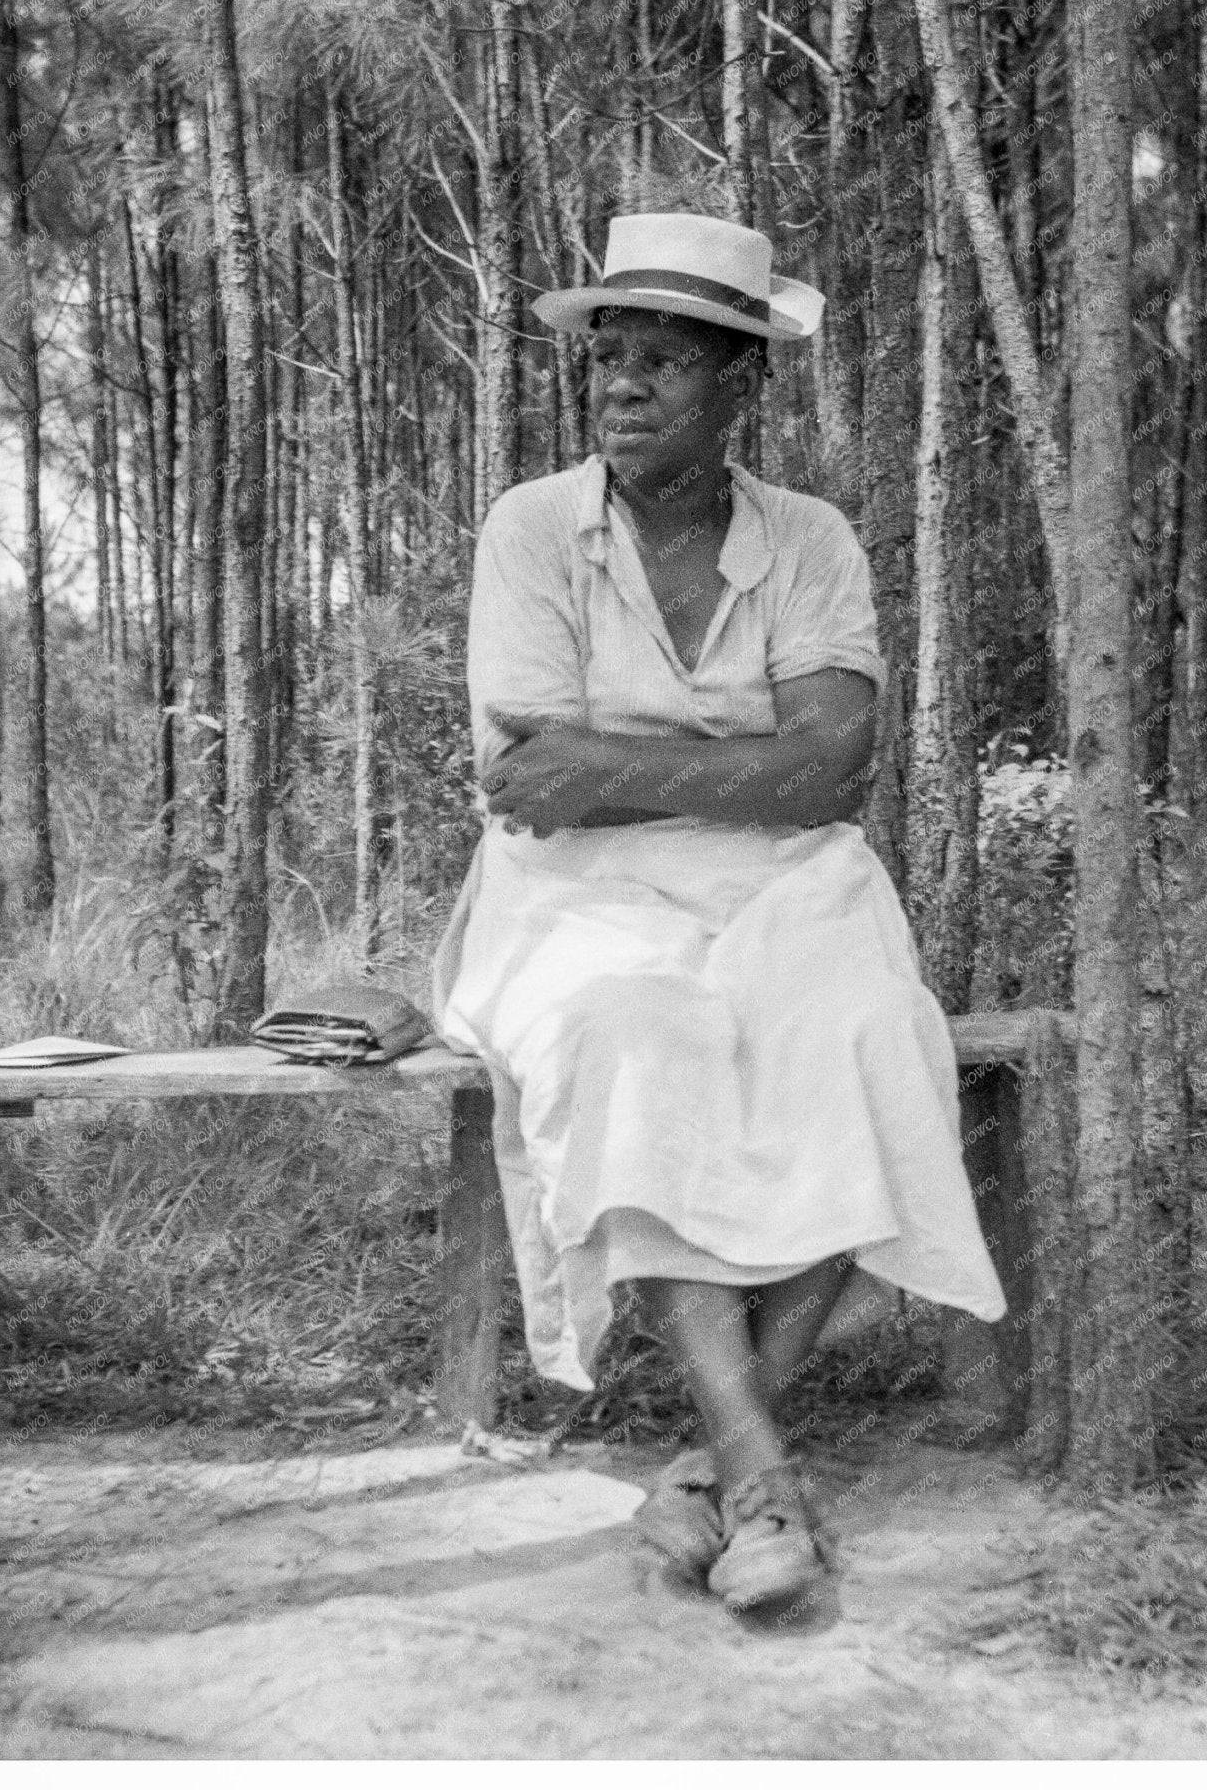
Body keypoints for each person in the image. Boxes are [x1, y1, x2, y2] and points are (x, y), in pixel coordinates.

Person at [432, 212, 1007, 1612]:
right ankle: (759, 1475)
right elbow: (531, 789)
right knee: (638, 1028)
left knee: (869, 1033)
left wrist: (626, 769)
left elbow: (834, 762)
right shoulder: (533, 529)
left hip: (791, 875)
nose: (622, 387)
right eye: (610, 359)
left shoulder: (806, 542)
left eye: (664, 363)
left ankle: (707, 1464)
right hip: (576, 894)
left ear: (743, 382)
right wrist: (746, 772)